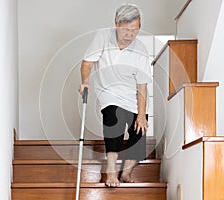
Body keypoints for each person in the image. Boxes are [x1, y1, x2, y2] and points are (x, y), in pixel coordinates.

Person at [78, 4, 152, 187]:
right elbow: (87, 62)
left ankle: (126, 172)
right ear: (116, 23)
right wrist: (86, 80)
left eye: (135, 30)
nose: (130, 35)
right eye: (126, 30)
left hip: (133, 96)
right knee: (113, 119)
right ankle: (111, 172)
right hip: (109, 93)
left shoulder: (140, 49)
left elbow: (142, 86)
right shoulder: (103, 37)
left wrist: (141, 115)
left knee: (139, 130)